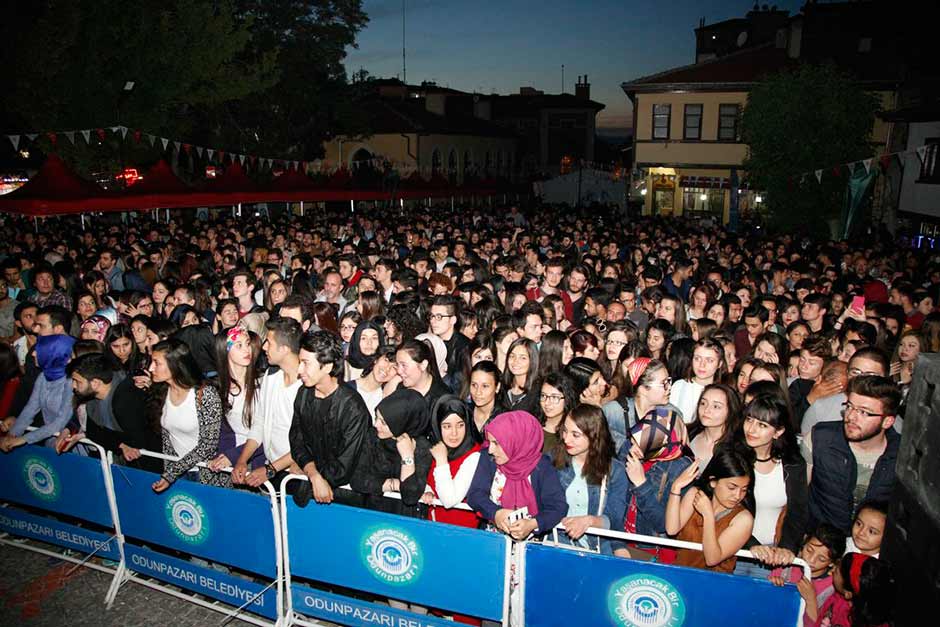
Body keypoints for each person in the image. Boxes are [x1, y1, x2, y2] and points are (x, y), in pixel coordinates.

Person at [804, 375, 901, 534]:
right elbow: (795, 501)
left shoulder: (902, 456)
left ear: (887, 421)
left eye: (864, 412)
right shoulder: (820, 439)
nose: (851, 416)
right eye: (849, 406)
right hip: (819, 545)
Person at [289, 331, 370, 507]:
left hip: (348, 498)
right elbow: (297, 441)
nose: (299, 370)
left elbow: (344, 466)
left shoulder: (352, 407)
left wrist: (313, 478)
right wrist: (313, 475)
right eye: (299, 362)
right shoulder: (303, 393)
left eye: (305, 363)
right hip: (313, 485)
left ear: (326, 367)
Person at [736, 393, 809, 576]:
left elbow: (798, 511)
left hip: (773, 555)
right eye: (749, 420)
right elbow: (725, 508)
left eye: (762, 425)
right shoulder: (732, 457)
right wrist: (751, 545)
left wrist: (787, 547)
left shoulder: (792, 464)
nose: (751, 429)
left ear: (778, 432)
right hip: (733, 548)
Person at [467, 410, 567, 540]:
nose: (491, 449)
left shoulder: (541, 466)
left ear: (515, 441)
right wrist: (496, 513)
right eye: (490, 442)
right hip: (492, 539)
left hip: (531, 545)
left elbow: (557, 507)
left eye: (497, 443)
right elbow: (475, 495)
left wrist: (532, 524)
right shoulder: (488, 458)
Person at [56, 353, 160, 471]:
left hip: (152, 467)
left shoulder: (126, 400)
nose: (73, 386)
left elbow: (140, 441)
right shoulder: (93, 400)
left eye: (77, 381)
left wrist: (119, 443)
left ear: (95, 383)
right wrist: (121, 445)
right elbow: (93, 431)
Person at [232, 317, 304, 487]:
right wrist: (242, 460)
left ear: (285, 349)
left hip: (295, 473)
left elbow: (308, 441)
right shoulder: (270, 376)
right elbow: (259, 422)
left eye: (269, 343)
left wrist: (271, 469)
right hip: (270, 469)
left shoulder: (307, 385)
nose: (263, 347)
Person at [148, 338, 227, 491]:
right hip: (178, 475)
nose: (151, 368)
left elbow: (208, 445)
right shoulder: (162, 391)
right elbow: (167, 439)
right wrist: (169, 471)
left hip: (205, 473)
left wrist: (171, 473)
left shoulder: (205, 394)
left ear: (175, 365)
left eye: (157, 363)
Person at [666, 445, 755, 573]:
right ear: (713, 482)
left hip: (713, 584)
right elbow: (671, 529)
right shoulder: (695, 495)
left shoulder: (743, 519)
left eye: (744, 490)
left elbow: (712, 558)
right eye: (731, 487)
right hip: (680, 574)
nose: (737, 496)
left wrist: (708, 515)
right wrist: (676, 487)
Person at [554, 404, 628, 553]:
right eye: (565, 431)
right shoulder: (553, 460)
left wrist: (589, 521)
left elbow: (614, 518)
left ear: (594, 435)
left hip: (596, 548)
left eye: (575, 435)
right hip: (556, 543)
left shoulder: (615, 471)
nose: (566, 439)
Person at [352, 388, 433, 517]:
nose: (376, 424)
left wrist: (407, 457)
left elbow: (410, 496)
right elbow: (357, 480)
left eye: (384, 422)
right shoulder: (373, 437)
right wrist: (394, 484)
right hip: (371, 512)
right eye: (376, 418)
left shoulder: (422, 447)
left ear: (401, 422)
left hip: (404, 520)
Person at [0, 334, 75, 451]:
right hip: (50, 441)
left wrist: (23, 439)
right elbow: (31, 407)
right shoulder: (43, 376)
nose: (34, 354)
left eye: (39, 351)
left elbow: (61, 421)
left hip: (67, 444)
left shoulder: (71, 382)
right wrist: (12, 435)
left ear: (54, 355)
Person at [208, 326, 264, 474]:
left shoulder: (263, 384)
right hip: (230, 462)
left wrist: (233, 456)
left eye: (247, 343)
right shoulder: (218, 389)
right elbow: (222, 433)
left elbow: (268, 434)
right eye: (239, 345)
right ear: (224, 351)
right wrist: (221, 457)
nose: (247, 350)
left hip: (258, 462)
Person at [422, 395, 483, 528]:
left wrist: (442, 461)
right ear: (437, 427)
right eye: (447, 426)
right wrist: (428, 490)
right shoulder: (437, 446)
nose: (454, 433)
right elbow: (427, 479)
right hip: (434, 527)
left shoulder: (474, 456)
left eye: (460, 425)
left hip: (461, 534)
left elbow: (449, 500)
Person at [768, 524, 846, 627]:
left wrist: (811, 599)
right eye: (809, 550)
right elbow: (767, 606)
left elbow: (815, 624)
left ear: (832, 563)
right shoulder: (785, 567)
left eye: (821, 559)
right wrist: (774, 586)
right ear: (804, 542)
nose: (811, 560)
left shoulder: (832, 587)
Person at [812, 553, 895, 627]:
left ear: (848, 593)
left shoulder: (847, 618)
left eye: (836, 571)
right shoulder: (838, 597)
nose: (832, 571)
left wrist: (810, 601)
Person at [669, 337, 726, 424]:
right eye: (697, 358)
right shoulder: (679, 386)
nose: (702, 365)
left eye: (709, 360)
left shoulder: (723, 394)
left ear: (719, 364)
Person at [687, 383, 742, 470]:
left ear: (731, 411)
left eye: (716, 406)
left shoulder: (736, 449)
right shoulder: (686, 433)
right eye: (703, 403)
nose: (706, 410)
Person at [536, 371, 577, 454]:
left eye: (554, 397)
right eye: (543, 396)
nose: (547, 402)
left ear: (567, 399)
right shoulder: (532, 425)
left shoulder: (574, 432)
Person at [499, 337, 540, 415]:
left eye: (523, 358)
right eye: (512, 356)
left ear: (532, 361)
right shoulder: (501, 386)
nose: (516, 361)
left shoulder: (539, 392)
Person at [468, 360, 503, 433]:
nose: (478, 392)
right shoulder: (464, 414)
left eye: (485, 386)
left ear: (497, 387)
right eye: (474, 385)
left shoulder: (506, 418)